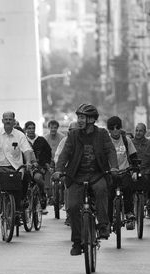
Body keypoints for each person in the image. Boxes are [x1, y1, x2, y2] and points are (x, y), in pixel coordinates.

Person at [52, 103, 119, 256]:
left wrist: (114, 167)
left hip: (97, 174)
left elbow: (110, 151)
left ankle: (103, 225)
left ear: (91, 120)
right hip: (76, 176)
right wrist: (59, 170)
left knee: (102, 190)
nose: (79, 120)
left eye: (82, 117)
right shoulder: (74, 135)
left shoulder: (102, 134)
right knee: (73, 207)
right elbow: (64, 155)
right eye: (79, 118)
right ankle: (76, 242)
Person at [0, 111, 35, 222]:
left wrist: (28, 162)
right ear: (2, 121)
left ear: (14, 121)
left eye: (10, 119)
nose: (8, 121)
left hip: (15, 167)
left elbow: (26, 150)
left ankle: (18, 208)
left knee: (23, 180)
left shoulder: (19, 135)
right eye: (6, 119)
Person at [105, 116, 140, 230]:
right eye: (112, 128)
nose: (115, 130)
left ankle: (129, 212)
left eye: (117, 127)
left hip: (124, 171)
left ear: (121, 128)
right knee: (109, 195)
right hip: (111, 173)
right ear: (109, 129)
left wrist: (135, 171)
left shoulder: (126, 140)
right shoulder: (105, 141)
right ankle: (108, 220)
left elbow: (134, 157)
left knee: (127, 188)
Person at [54, 120, 80, 226]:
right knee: (67, 187)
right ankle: (70, 213)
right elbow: (58, 156)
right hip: (68, 171)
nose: (72, 132)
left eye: (74, 130)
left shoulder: (84, 140)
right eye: (70, 130)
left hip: (83, 171)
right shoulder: (64, 141)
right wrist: (61, 169)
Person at [24, 121, 52, 215]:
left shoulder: (41, 140)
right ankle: (23, 200)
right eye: (29, 128)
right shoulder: (23, 140)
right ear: (26, 129)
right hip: (25, 166)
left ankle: (43, 194)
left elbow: (48, 152)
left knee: (37, 178)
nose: (31, 130)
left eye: (33, 128)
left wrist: (46, 163)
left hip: (39, 166)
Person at [44, 120, 66, 201]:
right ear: (49, 128)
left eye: (55, 128)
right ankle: (49, 195)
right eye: (51, 127)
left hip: (59, 159)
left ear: (57, 128)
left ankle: (61, 197)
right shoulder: (45, 138)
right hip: (49, 160)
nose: (53, 129)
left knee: (61, 176)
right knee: (47, 173)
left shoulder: (62, 137)